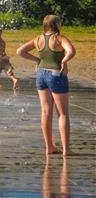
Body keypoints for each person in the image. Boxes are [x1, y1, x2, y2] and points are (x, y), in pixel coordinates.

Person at [17, 15, 76, 156]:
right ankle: (66, 150)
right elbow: (71, 51)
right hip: (56, 75)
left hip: (41, 75)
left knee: (45, 111)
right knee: (62, 114)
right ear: (56, 24)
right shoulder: (59, 38)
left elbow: (20, 51)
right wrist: (64, 61)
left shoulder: (38, 39)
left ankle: (49, 147)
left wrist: (37, 59)